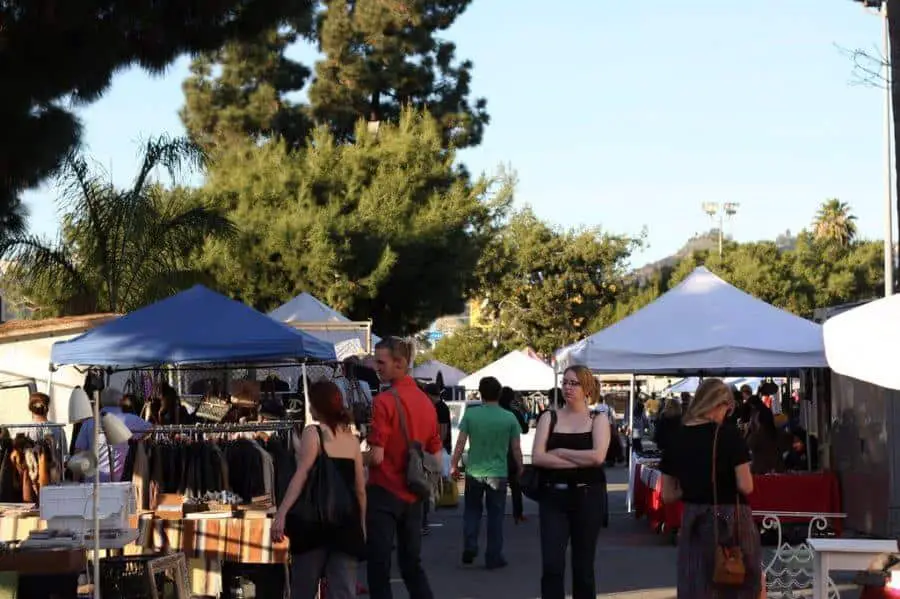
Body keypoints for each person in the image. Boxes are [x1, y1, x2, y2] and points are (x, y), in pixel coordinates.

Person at [660, 378, 762, 599]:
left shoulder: (675, 438)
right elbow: (746, 486)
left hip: (693, 520)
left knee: (697, 583)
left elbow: (668, 495)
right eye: (729, 407)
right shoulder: (728, 435)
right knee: (736, 580)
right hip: (730, 519)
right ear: (720, 404)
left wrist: (692, 487)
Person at [272, 380, 366, 599]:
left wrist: (282, 513)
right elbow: (360, 489)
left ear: (318, 406)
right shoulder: (352, 441)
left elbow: (301, 474)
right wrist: (361, 526)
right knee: (343, 591)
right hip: (346, 525)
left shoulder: (313, 433)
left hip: (313, 524)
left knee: (303, 588)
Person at [366, 337, 441, 599]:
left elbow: (376, 457)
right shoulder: (426, 403)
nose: (377, 367)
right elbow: (434, 451)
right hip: (414, 491)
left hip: (384, 490)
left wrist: (354, 455)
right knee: (411, 564)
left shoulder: (383, 402)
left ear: (399, 363)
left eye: (381, 361)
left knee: (379, 565)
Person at [531, 365, 611, 599]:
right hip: (554, 498)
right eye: (565, 382)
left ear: (587, 388)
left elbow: (597, 457)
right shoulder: (549, 417)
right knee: (552, 566)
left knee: (583, 568)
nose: (567, 387)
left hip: (588, 497)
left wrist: (561, 451)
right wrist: (580, 461)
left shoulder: (598, 419)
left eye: (574, 383)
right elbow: (538, 457)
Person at [450, 377, 523, 569]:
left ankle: (471, 544)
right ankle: (493, 556)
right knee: (495, 516)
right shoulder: (509, 417)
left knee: (472, 511)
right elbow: (516, 448)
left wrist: (454, 464)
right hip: (498, 473)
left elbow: (460, 443)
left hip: (474, 471)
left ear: (481, 393)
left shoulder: (472, 415)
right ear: (499, 394)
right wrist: (521, 467)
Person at [73, 388, 151, 482]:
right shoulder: (129, 419)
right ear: (119, 401)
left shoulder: (88, 423)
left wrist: (75, 482)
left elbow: (78, 453)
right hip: (117, 483)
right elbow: (153, 430)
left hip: (91, 483)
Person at [421, 382, 451, 535]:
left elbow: (443, 430)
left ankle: (425, 519)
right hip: (435, 449)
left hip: (435, 449)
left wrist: (438, 446)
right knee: (429, 483)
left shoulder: (440, 407)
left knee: (429, 483)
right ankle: (425, 517)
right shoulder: (440, 407)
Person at [499, 385, 529, 523]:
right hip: (511, 453)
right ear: (512, 399)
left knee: (497, 487)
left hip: (495, 454)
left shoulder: (494, 413)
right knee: (515, 485)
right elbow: (525, 429)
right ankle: (518, 513)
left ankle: (497, 513)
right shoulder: (514, 413)